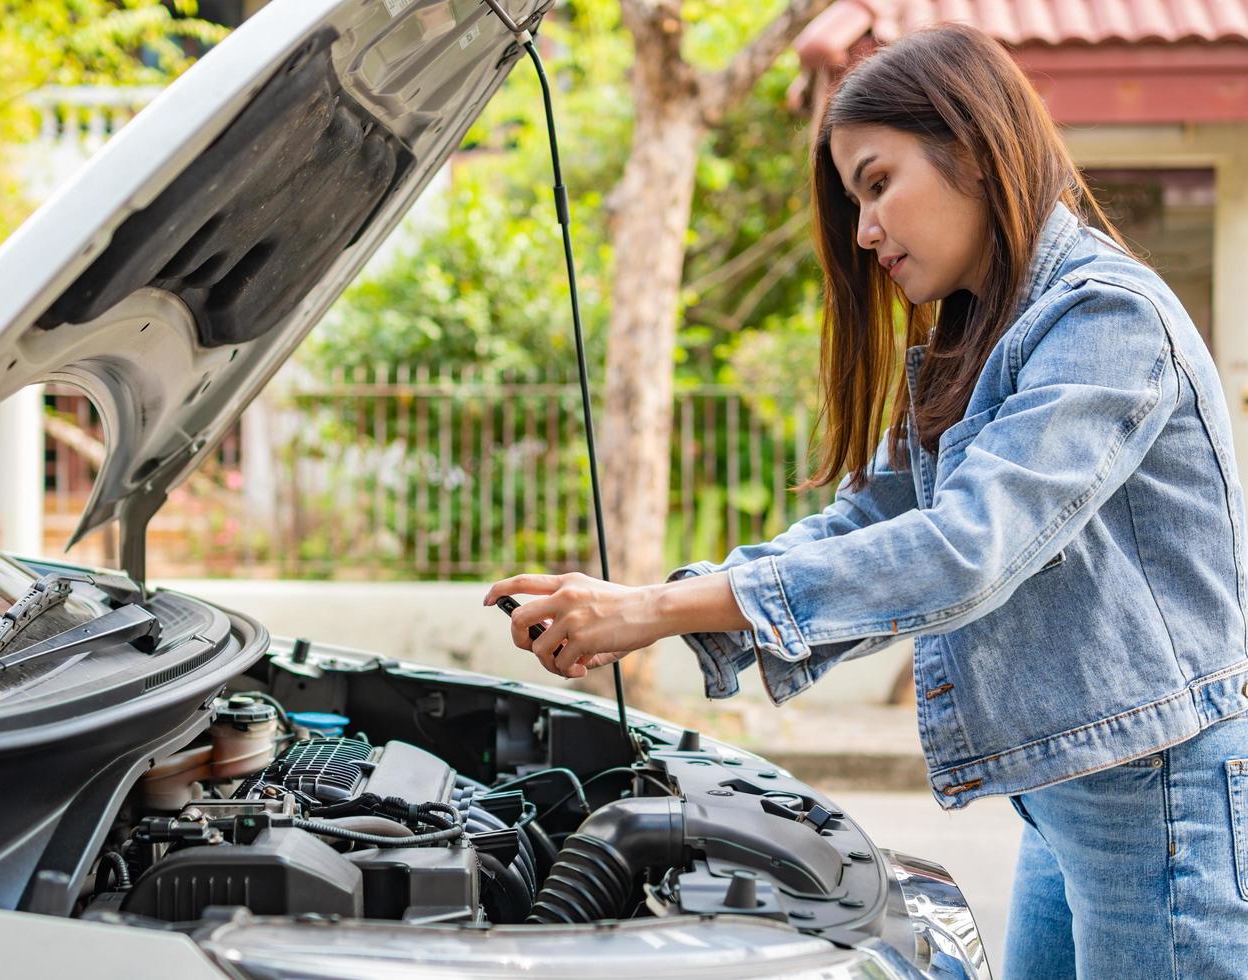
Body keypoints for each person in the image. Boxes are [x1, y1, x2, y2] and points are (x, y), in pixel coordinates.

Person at [483, 22, 1248, 978]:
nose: (863, 230)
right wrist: (651, 604)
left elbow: (965, 548)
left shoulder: (1107, 318)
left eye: (879, 183)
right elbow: (866, 522)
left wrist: (652, 610)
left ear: (970, 149)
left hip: (1163, 799)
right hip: (1070, 795)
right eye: (855, 199)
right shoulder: (978, 341)